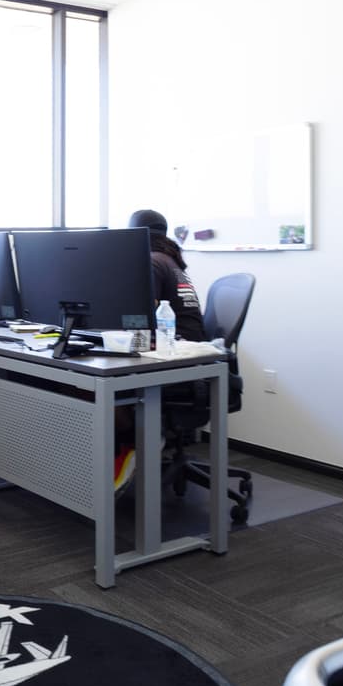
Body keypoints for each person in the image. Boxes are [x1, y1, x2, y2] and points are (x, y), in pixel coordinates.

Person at [113, 209, 206, 495]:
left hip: (173, 362)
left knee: (100, 384)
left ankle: (140, 444)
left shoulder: (151, 262)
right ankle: (140, 442)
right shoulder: (170, 260)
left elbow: (141, 315)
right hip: (188, 359)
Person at [128, 208, 205, 342]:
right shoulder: (167, 259)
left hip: (175, 345)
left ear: (134, 235)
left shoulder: (151, 262)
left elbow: (142, 314)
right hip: (190, 340)